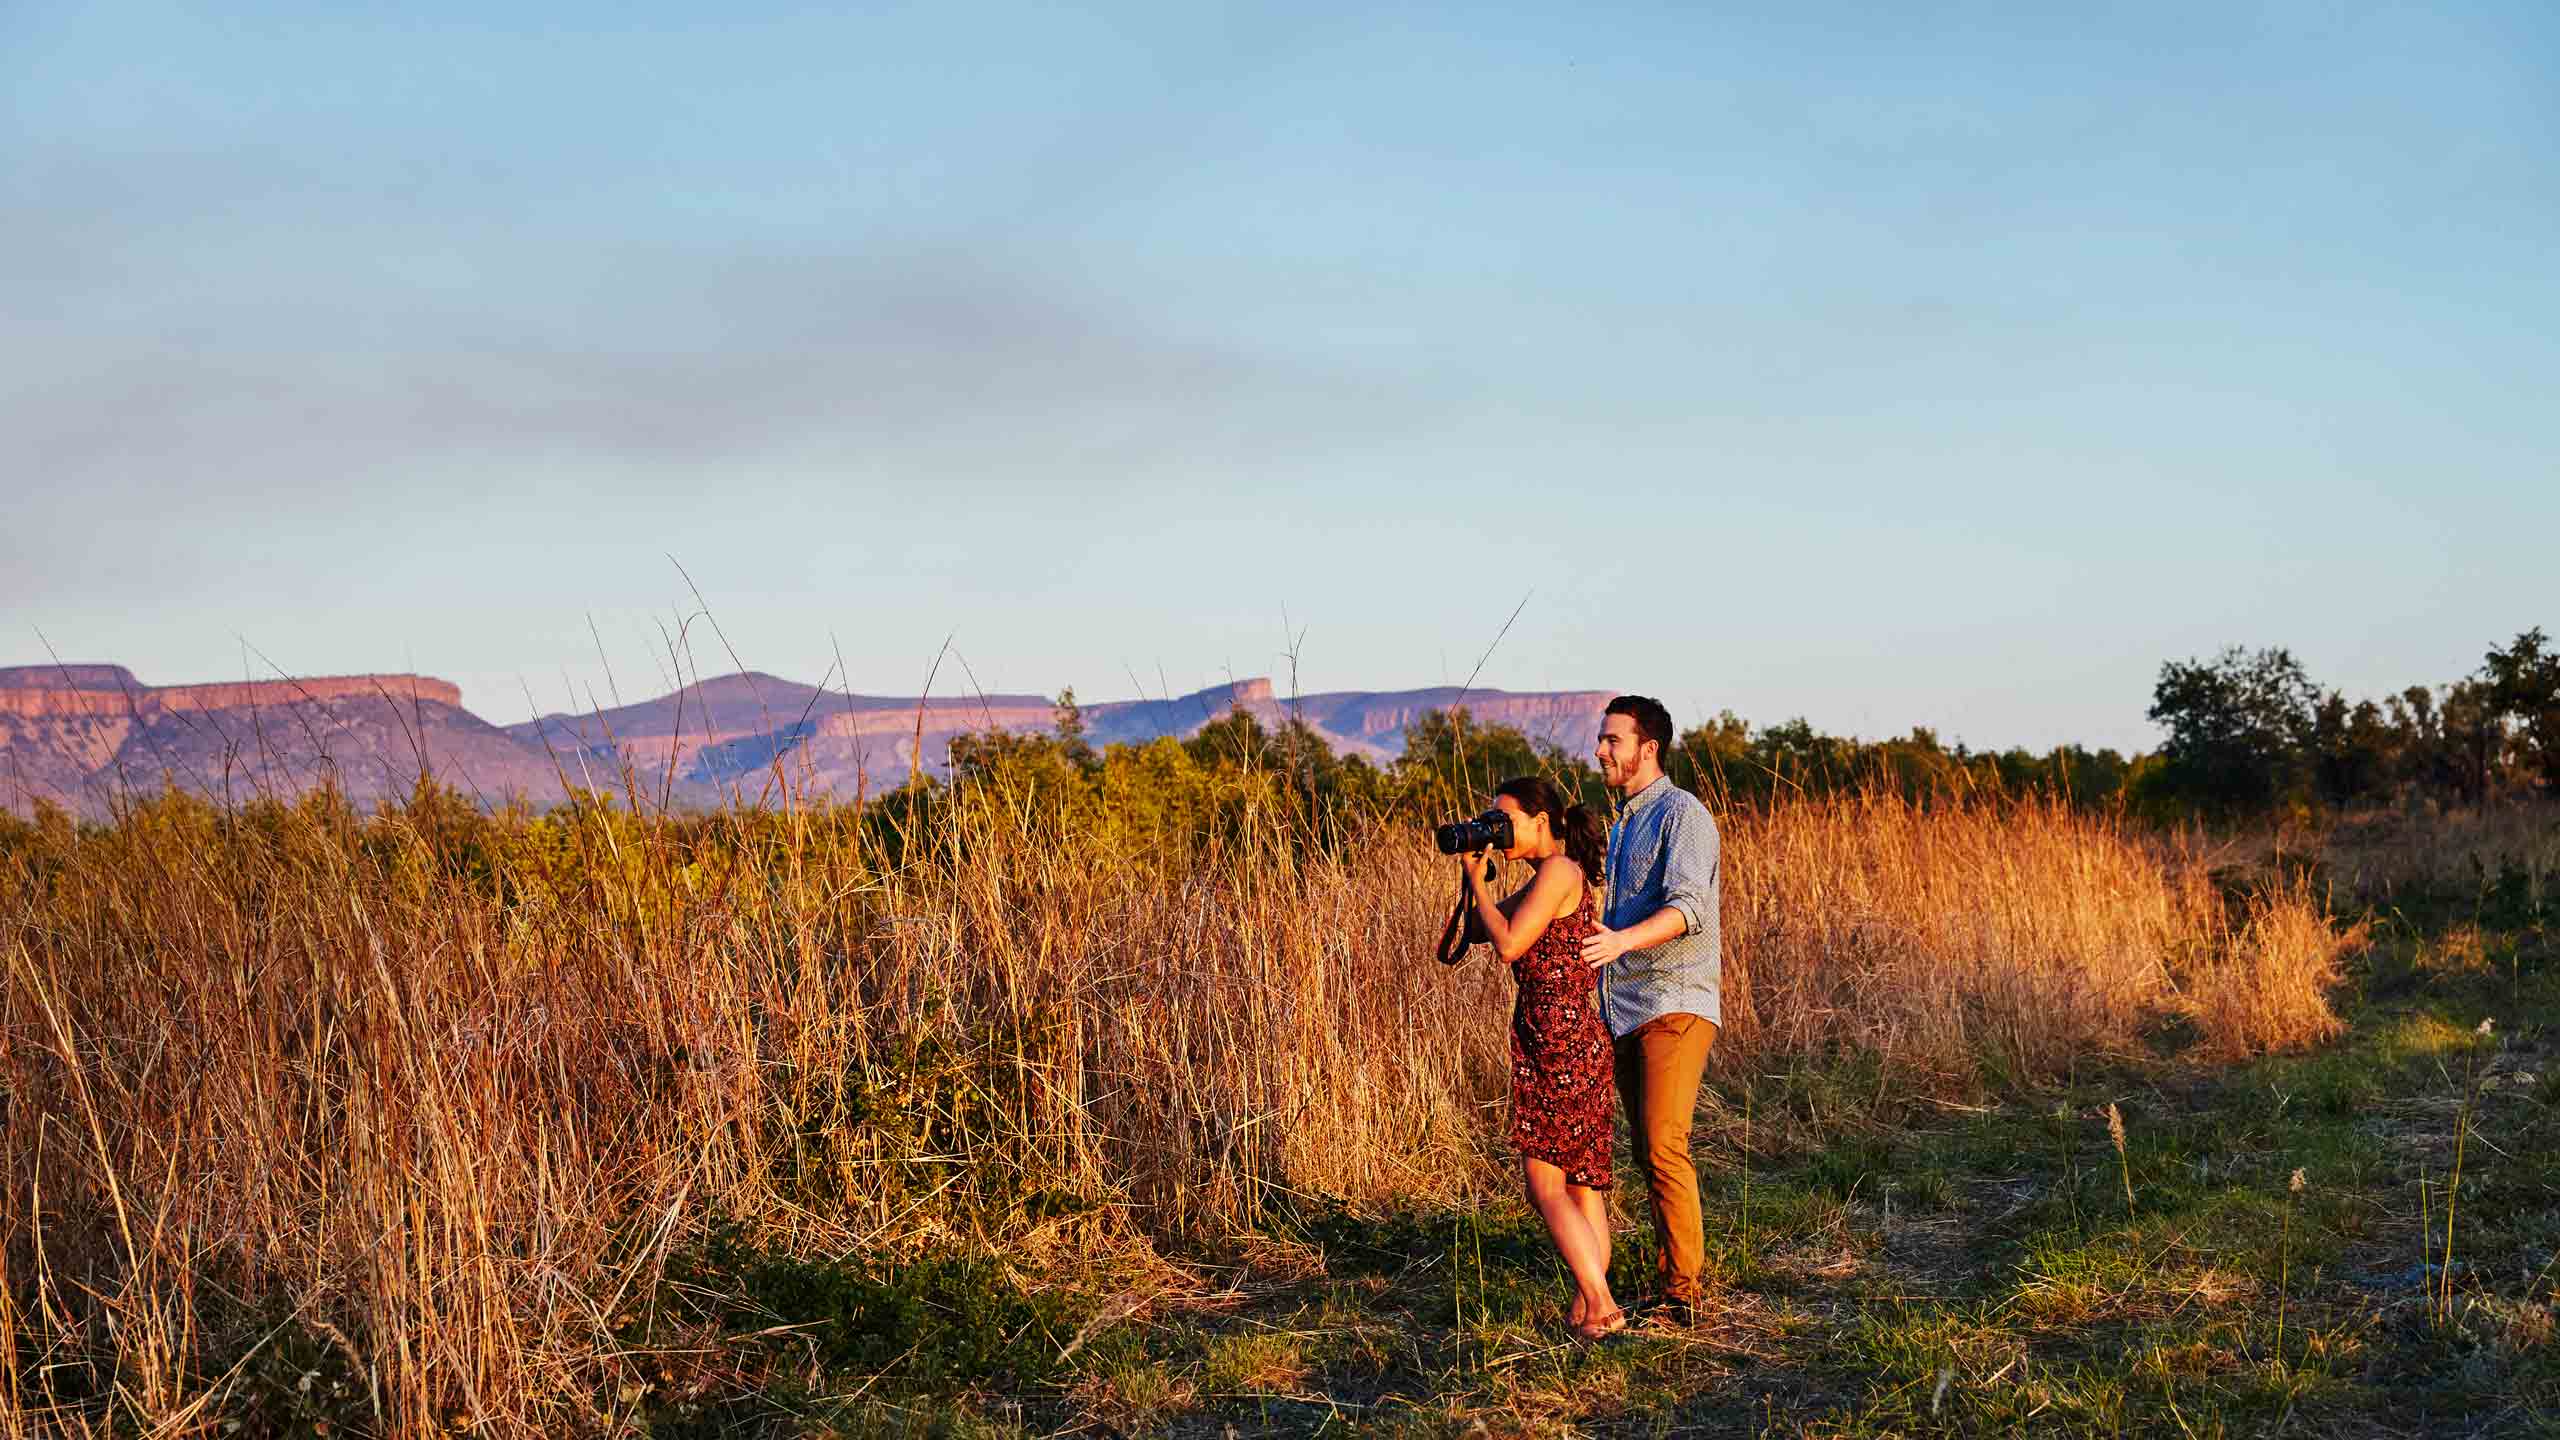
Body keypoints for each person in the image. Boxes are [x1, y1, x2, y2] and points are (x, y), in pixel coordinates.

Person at [1435, 775, 1625, 1340]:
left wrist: (1477, 878)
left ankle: (1603, 1304)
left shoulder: (1560, 872)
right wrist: (1475, 877)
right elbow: (1475, 928)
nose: (1499, 831)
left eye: (1505, 820)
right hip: (1570, 1035)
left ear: (1541, 821)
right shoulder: (1551, 877)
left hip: (1558, 1037)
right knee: (1581, 1186)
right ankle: (1586, 1307)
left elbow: (1510, 944)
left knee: (1546, 1186)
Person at [1580, 694, 1721, 1324]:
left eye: (1613, 739)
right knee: (1645, 1148)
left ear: (1648, 748)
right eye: (1602, 738)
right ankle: (1670, 1277)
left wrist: (1621, 940)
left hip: (1675, 1001)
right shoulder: (1621, 824)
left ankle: (1683, 1296)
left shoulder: (1682, 815)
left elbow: (1690, 908)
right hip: (1625, 1006)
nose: (1601, 750)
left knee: (1664, 1143)